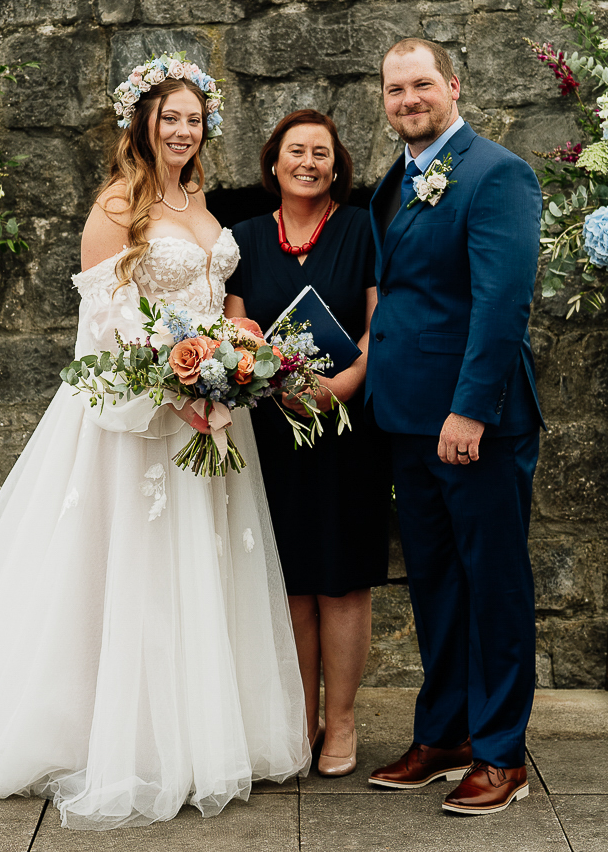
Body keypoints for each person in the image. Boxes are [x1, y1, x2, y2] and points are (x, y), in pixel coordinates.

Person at [0, 57, 309, 830]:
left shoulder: (200, 198)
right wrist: (177, 390)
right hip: (144, 412)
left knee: (202, 562)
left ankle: (201, 724)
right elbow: (107, 321)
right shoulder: (117, 202)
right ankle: (120, 735)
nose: (183, 130)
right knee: (128, 565)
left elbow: (212, 296)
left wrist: (230, 365)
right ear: (140, 123)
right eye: (168, 117)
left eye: (193, 118)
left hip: (212, 403)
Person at [362, 38, 544, 817]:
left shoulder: (496, 174)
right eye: (395, 89)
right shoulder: (389, 185)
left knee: (493, 586)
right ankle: (445, 736)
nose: (408, 99)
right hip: (406, 420)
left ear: (454, 86)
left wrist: (468, 409)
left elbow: (502, 303)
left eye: (421, 84)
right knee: (435, 586)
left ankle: (502, 752)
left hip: (472, 422)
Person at [225, 110, 390, 779]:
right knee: (290, 583)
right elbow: (236, 330)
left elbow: (384, 322)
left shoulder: (361, 228)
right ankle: (300, 716)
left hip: (346, 429)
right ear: (274, 162)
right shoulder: (241, 237)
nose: (309, 162)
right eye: (297, 151)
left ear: (336, 165)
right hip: (272, 427)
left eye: (322, 152)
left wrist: (344, 384)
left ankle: (343, 719)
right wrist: (267, 379)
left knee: (342, 582)